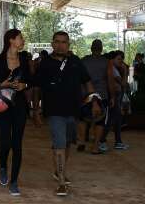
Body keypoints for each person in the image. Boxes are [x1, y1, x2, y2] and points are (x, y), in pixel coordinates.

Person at [32, 31, 102, 197]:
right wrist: (35, 110)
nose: (60, 45)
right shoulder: (45, 63)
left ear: (68, 44)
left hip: (74, 111)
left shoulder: (76, 61)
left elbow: (87, 82)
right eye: (57, 42)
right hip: (54, 111)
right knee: (60, 144)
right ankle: (62, 182)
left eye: (64, 42)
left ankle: (58, 170)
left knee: (68, 143)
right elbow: (36, 88)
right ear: (52, 43)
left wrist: (95, 101)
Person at [0, 29, 32, 196]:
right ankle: (3, 166)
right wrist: (1, 85)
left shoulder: (25, 60)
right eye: (20, 37)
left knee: (17, 144)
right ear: (11, 40)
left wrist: (24, 85)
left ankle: (14, 182)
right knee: (5, 143)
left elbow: (31, 81)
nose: (23, 40)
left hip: (19, 106)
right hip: (1, 106)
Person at [79, 39, 110, 154]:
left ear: (91, 48)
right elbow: (110, 80)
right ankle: (95, 147)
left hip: (85, 94)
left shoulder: (83, 61)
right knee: (100, 121)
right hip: (102, 94)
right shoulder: (106, 62)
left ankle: (82, 141)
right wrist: (112, 96)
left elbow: (79, 79)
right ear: (101, 48)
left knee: (82, 118)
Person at [99, 50, 129, 151]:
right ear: (112, 59)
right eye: (119, 59)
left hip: (115, 96)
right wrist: (125, 71)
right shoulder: (112, 69)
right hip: (114, 96)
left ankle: (115, 141)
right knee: (112, 119)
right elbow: (123, 83)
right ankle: (102, 141)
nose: (121, 61)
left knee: (114, 119)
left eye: (122, 59)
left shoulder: (113, 68)